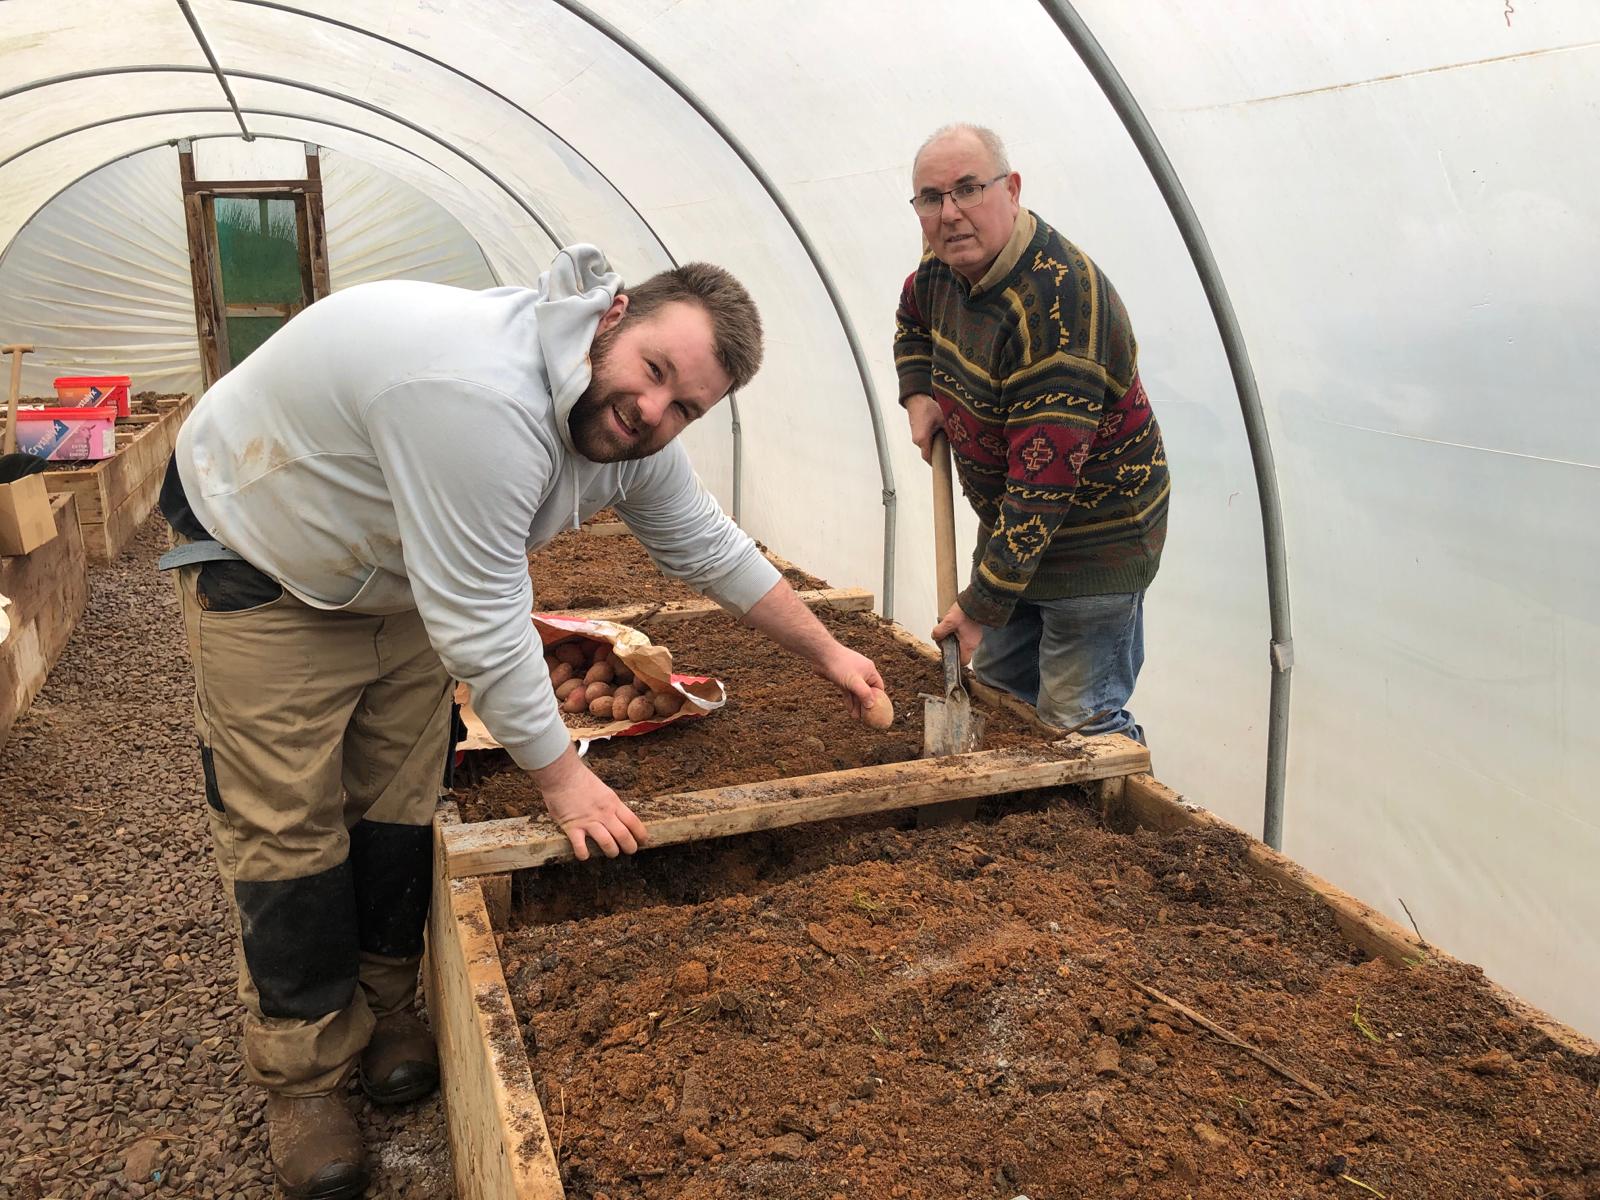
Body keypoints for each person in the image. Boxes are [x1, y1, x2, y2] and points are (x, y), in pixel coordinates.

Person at [160, 246, 888, 1199]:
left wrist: (830, 651)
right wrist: (562, 776)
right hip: (269, 559)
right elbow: (484, 618)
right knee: (286, 824)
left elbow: (709, 546)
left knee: (397, 800)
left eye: (686, 409)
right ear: (613, 317)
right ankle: (303, 1077)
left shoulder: (632, 437)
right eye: (655, 372)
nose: (653, 412)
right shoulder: (479, 398)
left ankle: (388, 1013)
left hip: (394, 578)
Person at [893, 124, 1170, 744]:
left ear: (1011, 189)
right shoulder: (942, 265)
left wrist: (980, 604)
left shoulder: (1062, 304)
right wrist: (921, 393)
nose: (950, 213)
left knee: (1077, 723)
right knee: (1003, 701)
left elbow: (1043, 488)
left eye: (969, 189)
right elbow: (913, 316)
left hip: (1093, 545)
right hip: (1012, 530)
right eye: (931, 198)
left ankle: (1116, 823)